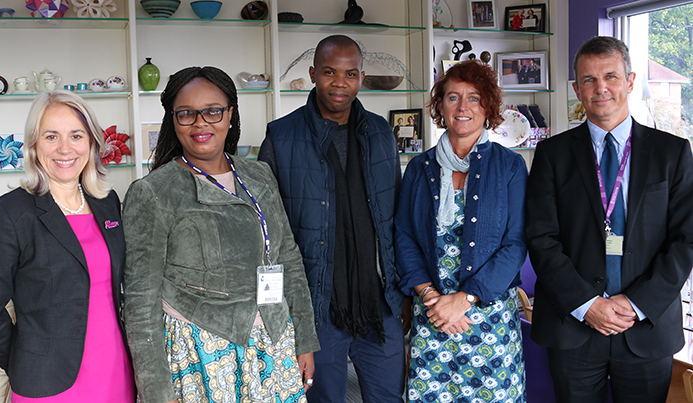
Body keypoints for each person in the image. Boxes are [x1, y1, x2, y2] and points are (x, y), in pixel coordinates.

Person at [122, 66, 319, 403]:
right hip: (201, 352)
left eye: (213, 111)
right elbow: (140, 300)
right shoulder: (153, 192)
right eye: (186, 114)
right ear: (173, 120)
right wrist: (155, 389)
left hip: (274, 339)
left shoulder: (259, 175)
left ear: (230, 115)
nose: (201, 123)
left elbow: (288, 258)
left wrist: (305, 339)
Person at [525, 36, 693, 403]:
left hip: (646, 328)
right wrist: (589, 305)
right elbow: (540, 238)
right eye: (588, 79)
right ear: (576, 89)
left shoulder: (673, 152)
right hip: (573, 327)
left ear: (630, 81)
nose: (600, 88)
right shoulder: (552, 154)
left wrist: (635, 305)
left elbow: (686, 241)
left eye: (611, 76)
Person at [258, 35, 407, 403]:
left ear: (361, 76)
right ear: (313, 74)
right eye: (329, 72)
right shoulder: (281, 137)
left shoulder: (381, 133)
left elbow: (396, 221)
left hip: (380, 303)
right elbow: (267, 234)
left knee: (390, 397)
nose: (340, 83)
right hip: (316, 306)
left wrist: (404, 293)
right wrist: (276, 309)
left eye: (350, 73)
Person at [0, 90, 135, 402]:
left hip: (116, 373)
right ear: (34, 145)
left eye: (76, 135)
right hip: (46, 382)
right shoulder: (8, 213)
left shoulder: (108, 204)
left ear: (92, 143)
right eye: (51, 136)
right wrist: (23, 360)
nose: (65, 148)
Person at [395, 59, 528, 403]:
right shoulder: (418, 168)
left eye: (474, 97)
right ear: (440, 106)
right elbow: (404, 237)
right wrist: (430, 297)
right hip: (434, 313)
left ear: (488, 106)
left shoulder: (510, 166)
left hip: (489, 317)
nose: (463, 107)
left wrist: (465, 299)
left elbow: (515, 244)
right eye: (453, 97)